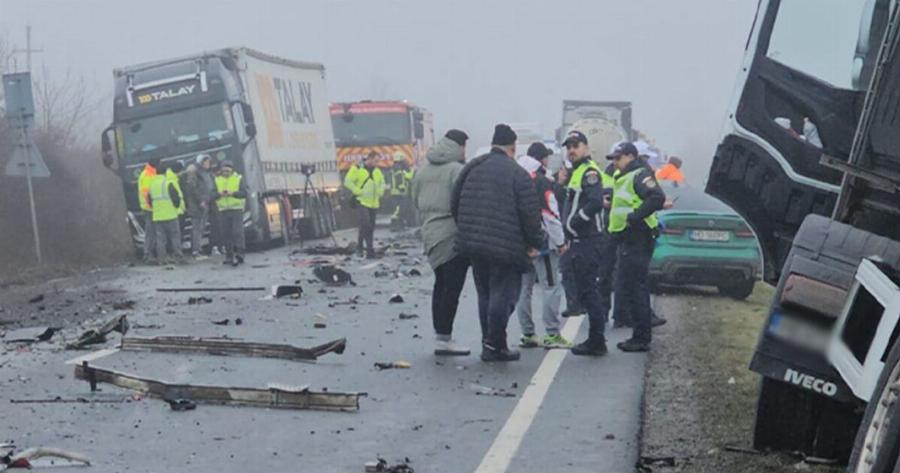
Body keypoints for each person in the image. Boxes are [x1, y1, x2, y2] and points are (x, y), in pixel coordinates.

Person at [451, 124, 543, 362]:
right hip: (506, 246)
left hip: (473, 243)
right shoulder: (517, 174)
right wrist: (535, 242)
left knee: (485, 294)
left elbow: (455, 201)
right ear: (512, 148)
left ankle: (488, 342)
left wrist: (465, 229)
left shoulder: (472, 167)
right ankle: (495, 344)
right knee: (505, 294)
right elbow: (530, 214)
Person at [411, 129, 471, 356]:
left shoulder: (422, 170)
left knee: (440, 285)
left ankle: (440, 335)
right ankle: (445, 338)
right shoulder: (457, 170)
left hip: (430, 232)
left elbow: (414, 199)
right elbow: (463, 203)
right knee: (452, 288)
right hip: (451, 234)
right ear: (459, 146)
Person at [560, 131, 616, 357]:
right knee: (585, 290)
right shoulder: (577, 171)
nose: (571, 150)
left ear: (586, 147)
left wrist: (575, 221)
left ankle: (597, 340)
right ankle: (595, 338)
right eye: (569, 147)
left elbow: (594, 202)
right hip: (579, 240)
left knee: (589, 291)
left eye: (576, 145)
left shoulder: (589, 172)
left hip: (588, 240)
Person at [606, 141, 666, 352]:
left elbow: (657, 197)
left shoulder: (640, 174)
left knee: (636, 288)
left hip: (638, 237)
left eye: (618, 158)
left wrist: (634, 217)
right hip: (627, 238)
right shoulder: (621, 176)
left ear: (631, 156)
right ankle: (638, 334)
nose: (615, 162)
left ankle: (641, 337)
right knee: (630, 287)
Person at [513, 143, 572, 349]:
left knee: (524, 288)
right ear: (543, 160)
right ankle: (552, 334)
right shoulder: (541, 182)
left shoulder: (514, 177)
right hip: (543, 242)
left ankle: (527, 333)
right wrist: (561, 241)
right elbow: (550, 215)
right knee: (550, 286)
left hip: (519, 242)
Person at [344, 152, 385, 258]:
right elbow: (347, 181)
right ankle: (368, 250)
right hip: (361, 201)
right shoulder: (357, 169)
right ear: (370, 159)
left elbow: (382, 182)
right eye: (376, 161)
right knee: (366, 224)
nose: (377, 163)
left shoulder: (377, 171)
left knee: (370, 227)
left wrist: (381, 191)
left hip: (374, 203)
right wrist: (356, 190)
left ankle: (362, 247)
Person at [148, 162, 185, 265]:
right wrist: (176, 208)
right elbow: (176, 199)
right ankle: (178, 256)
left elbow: (149, 201)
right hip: (171, 215)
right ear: (165, 172)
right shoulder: (168, 183)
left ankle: (162, 259)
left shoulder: (152, 184)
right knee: (175, 236)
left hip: (157, 216)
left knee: (161, 239)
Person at [215, 161, 249, 266]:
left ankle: (240, 254)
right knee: (226, 234)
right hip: (223, 210)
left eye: (228, 171)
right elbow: (211, 194)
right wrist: (218, 194)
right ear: (221, 170)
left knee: (237, 233)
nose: (226, 173)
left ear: (232, 170)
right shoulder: (216, 180)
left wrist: (232, 194)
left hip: (236, 209)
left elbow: (244, 193)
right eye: (224, 171)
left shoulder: (238, 178)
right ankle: (229, 256)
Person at [182, 154, 216, 259]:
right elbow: (192, 189)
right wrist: (200, 200)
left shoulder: (207, 173)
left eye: (208, 162)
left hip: (206, 203)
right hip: (197, 206)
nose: (207, 164)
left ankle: (199, 249)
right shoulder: (194, 173)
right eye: (205, 162)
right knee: (197, 229)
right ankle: (196, 251)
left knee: (201, 228)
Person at [137, 158, 159, 264]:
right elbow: (146, 193)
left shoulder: (150, 173)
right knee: (150, 232)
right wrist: (152, 206)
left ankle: (150, 254)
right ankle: (147, 254)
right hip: (149, 208)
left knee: (153, 232)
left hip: (151, 207)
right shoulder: (147, 175)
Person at [390, 160, 415, 229]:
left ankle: (398, 225)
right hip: (400, 194)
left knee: (398, 210)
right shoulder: (400, 172)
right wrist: (413, 169)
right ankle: (397, 226)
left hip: (396, 193)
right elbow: (408, 177)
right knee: (399, 210)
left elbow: (407, 177)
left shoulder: (395, 170)